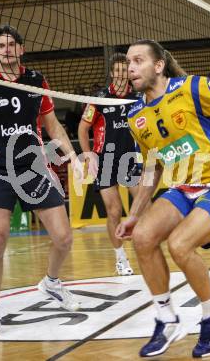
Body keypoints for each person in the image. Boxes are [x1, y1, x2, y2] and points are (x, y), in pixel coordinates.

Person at [116, 39, 210, 358]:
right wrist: (135, 214)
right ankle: (167, 319)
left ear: (158, 66)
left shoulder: (192, 88)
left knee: (179, 244)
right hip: (183, 188)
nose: (131, 68)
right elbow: (151, 168)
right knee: (142, 237)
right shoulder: (136, 114)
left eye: (138, 60)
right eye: (128, 62)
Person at [0, 25, 83, 338]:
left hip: (34, 168)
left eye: (12, 45)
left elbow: (54, 127)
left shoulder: (37, 81)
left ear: (21, 49)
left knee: (64, 238)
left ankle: (51, 282)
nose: (6, 50)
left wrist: (74, 159)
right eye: (0, 46)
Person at [78, 53, 142, 276]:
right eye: (118, 71)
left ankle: (145, 249)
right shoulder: (100, 98)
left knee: (143, 206)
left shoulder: (137, 98)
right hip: (105, 160)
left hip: (130, 159)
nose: (122, 75)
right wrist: (88, 154)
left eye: (125, 70)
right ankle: (121, 258)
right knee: (114, 211)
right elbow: (82, 129)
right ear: (112, 73)